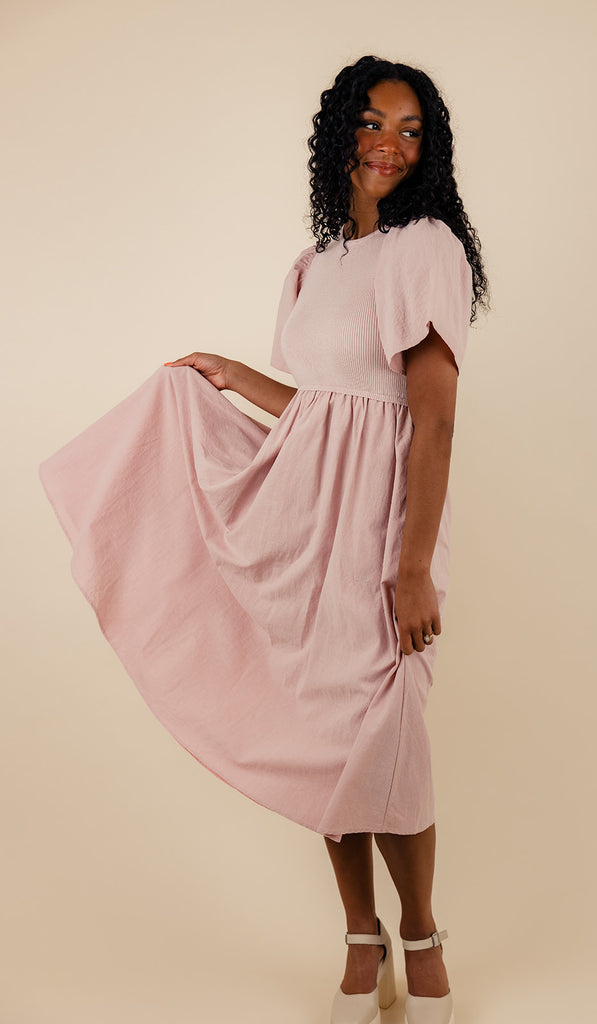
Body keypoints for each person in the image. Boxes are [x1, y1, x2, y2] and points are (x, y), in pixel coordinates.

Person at [40, 55, 488, 1024]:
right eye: (372, 122)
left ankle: (420, 932)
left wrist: (412, 565)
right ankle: (360, 936)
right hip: (304, 519)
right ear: (340, 130)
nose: (389, 144)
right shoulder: (313, 266)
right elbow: (327, 409)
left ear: (430, 150)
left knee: (388, 735)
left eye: (411, 131)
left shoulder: (426, 248)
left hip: (383, 529)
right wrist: (233, 375)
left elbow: (431, 417)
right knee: (318, 735)